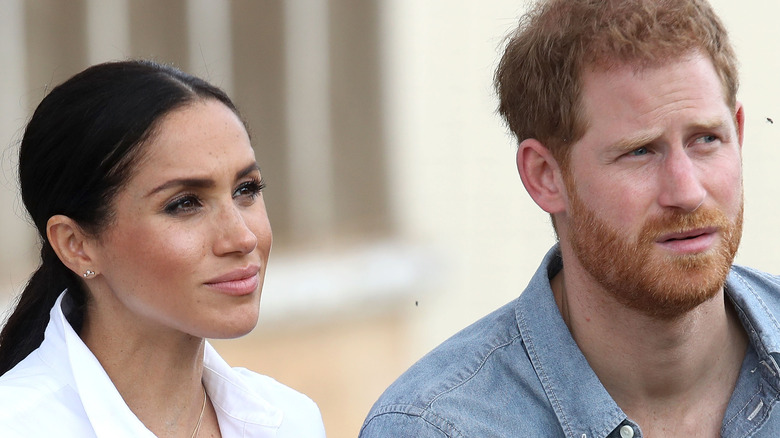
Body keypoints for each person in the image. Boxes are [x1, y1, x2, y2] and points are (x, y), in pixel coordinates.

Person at [360, 0, 780, 436]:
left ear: (739, 132)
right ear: (545, 176)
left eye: (707, 139)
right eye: (639, 151)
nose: (688, 192)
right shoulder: (438, 428)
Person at [0, 60, 326, 437]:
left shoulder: (290, 421)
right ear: (77, 245)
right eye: (185, 203)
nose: (243, 238)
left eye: (246, 190)